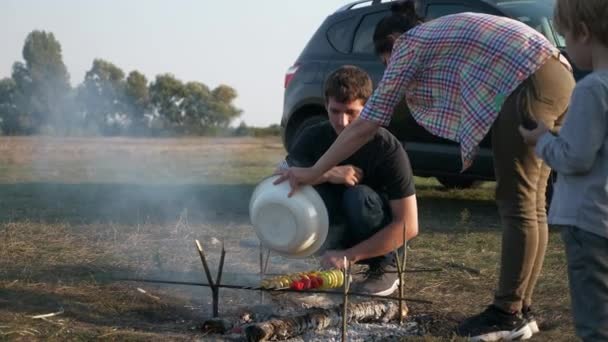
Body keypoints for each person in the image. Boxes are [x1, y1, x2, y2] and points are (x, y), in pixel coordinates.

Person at [275, 1, 575, 340]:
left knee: (518, 200)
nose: (389, 70)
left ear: (391, 43)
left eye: (385, 61)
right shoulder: (433, 36)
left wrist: (314, 171)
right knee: (532, 203)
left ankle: (507, 313)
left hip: (532, 79)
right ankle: (521, 307)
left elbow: (367, 125)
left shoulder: (409, 45)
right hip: (556, 75)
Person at [276, 65, 419, 296]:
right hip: (337, 231)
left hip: (378, 231)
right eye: (335, 111)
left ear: (368, 108)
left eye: (351, 112)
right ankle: (336, 265)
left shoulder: (387, 148)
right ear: (326, 105)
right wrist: (328, 174)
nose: (341, 121)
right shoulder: (314, 135)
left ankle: (384, 267)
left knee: (358, 196)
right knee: (313, 190)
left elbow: (409, 225)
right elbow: (280, 176)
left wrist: (350, 255)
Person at [519, 0, 608, 340]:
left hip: (589, 224)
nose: (565, 44)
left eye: (565, 34)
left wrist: (542, 139)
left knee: (595, 323)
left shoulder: (592, 89)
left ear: (584, 33)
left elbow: (575, 158)